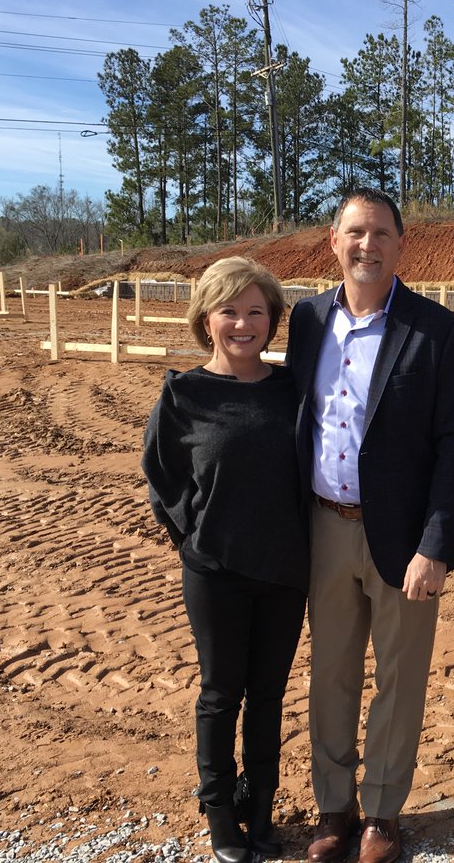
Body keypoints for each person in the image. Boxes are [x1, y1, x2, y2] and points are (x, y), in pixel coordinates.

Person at [286, 187, 454, 863]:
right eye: (354, 233)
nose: (366, 245)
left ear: (402, 244)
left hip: (403, 538)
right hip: (324, 527)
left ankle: (383, 813)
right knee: (330, 672)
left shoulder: (439, 331)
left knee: (400, 677)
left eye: (380, 234)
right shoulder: (306, 320)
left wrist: (436, 545)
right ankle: (333, 808)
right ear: (334, 243)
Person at [141, 256, 308, 863]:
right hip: (216, 573)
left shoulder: (293, 390)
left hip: (286, 570)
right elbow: (161, 477)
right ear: (206, 320)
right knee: (220, 694)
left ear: (273, 320)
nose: (243, 324)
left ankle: (258, 805)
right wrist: (192, 535)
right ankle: (219, 815)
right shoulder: (184, 394)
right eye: (229, 311)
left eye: (255, 312)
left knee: (269, 695)